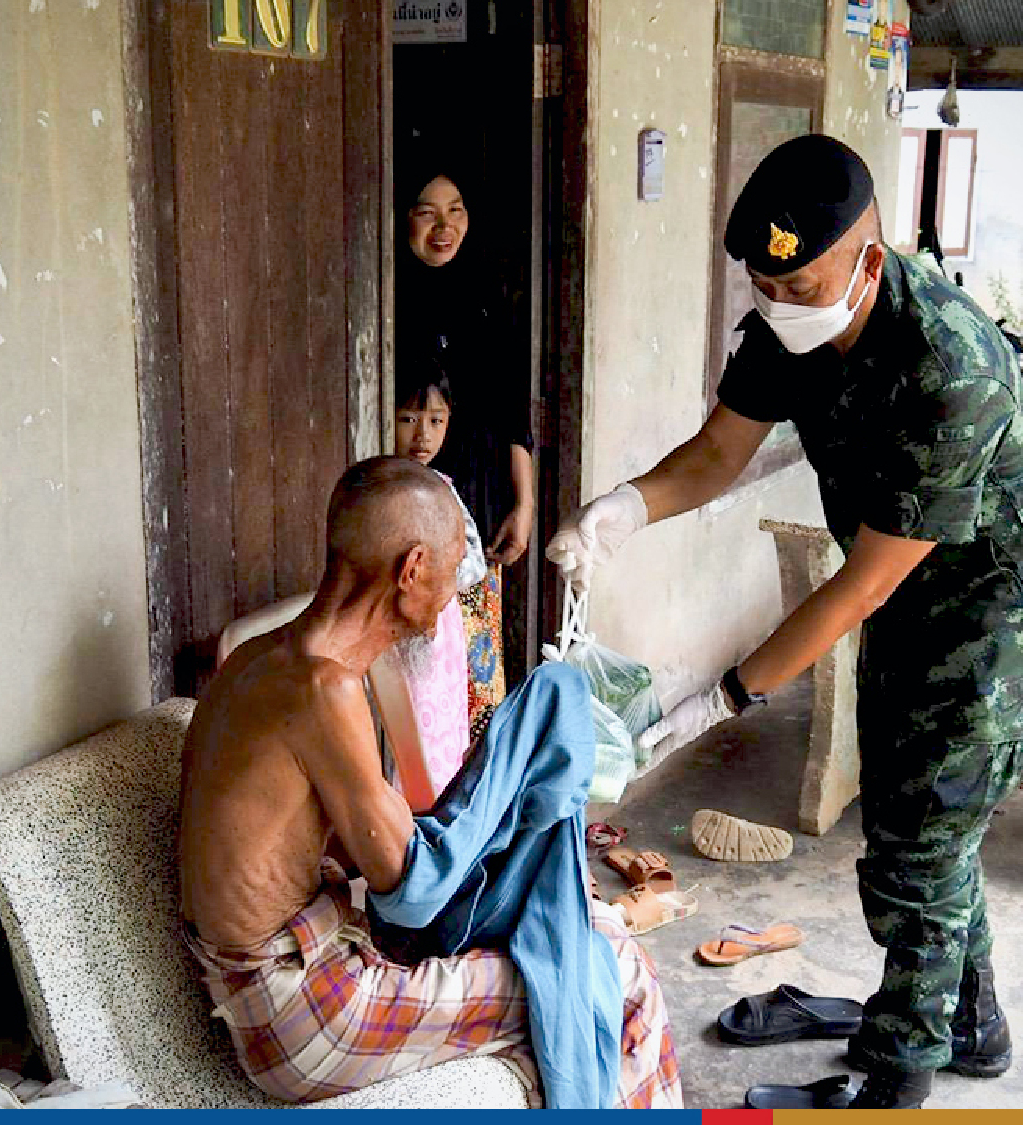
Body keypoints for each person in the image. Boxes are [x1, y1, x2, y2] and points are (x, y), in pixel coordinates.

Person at [545, 134, 1023, 1109]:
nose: (778, 305)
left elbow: (861, 584)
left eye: (800, 286)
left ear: (868, 262)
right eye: (763, 285)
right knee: (919, 812)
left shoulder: (946, 364)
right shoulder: (783, 328)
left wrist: (728, 693)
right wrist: (623, 507)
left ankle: (895, 1074)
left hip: (994, 599)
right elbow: (715, 454)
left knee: (918, 839)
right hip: (903, 586)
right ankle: (973, 1022)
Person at [177, 457, 681, 1109]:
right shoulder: (322, 692)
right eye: (451, 566)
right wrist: (508, 780)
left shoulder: (258, 659)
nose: (455, 591)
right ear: (412, 568)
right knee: (607, 972)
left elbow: (347, 846)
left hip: (279, 977)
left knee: (592, 935)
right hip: (303, 1014)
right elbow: (408, 887)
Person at [397, 162, 536, 569]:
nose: (444, 227)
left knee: (471, 624)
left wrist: (523, 504)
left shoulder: (489, 296)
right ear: (403, 216)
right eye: (427, 213)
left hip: (480, 491)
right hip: (407, 492)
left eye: (455, 211)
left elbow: (512, 408)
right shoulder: (387, 297)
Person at [392, 359, 507, 782]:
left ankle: (434, 808)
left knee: (435, 722)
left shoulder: (443, 489)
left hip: (439, 629)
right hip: (395, 631)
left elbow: (474, 560)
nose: (422, 435)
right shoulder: (378, 487)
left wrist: (431, 580)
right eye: (408, 419)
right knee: (398, 720)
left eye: (435, 421)